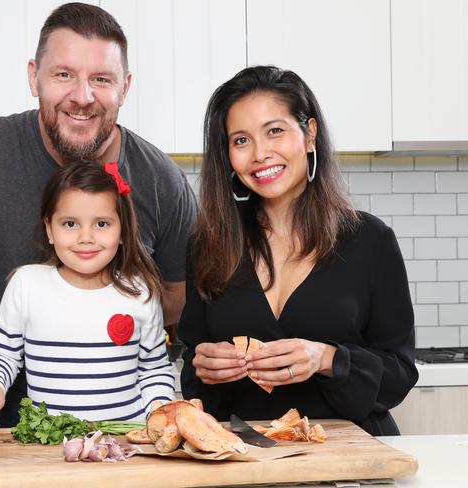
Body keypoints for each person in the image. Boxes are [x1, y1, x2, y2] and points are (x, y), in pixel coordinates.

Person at [0, 2, 196, 435]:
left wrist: (104, 310)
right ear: (33, 76)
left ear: (125, 87)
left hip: (126, 440)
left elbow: (179, 304)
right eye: (63, 75)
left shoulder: (160, 179)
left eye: (101, 79)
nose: (82, 96)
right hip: (3, 435)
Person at [179, 66, 418, 436]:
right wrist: (204, 369)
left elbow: (400, 374)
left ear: (310, 134)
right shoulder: (208, 246)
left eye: (275, 131)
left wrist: (326, 358)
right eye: (240, 140)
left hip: (352, 452)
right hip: (248, 455)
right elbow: (196, 380)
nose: (260, 153)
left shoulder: (370, 240)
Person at [0, 161, 175, 421]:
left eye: (102, 224)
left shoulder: (140, 292)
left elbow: (154, 370)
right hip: (49, 450)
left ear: (123, 230)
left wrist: (159, 408)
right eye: (70, 224)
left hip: (126, 448)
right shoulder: (27, 285)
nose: (85, 237)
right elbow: (1, 352)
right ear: (49, 229)